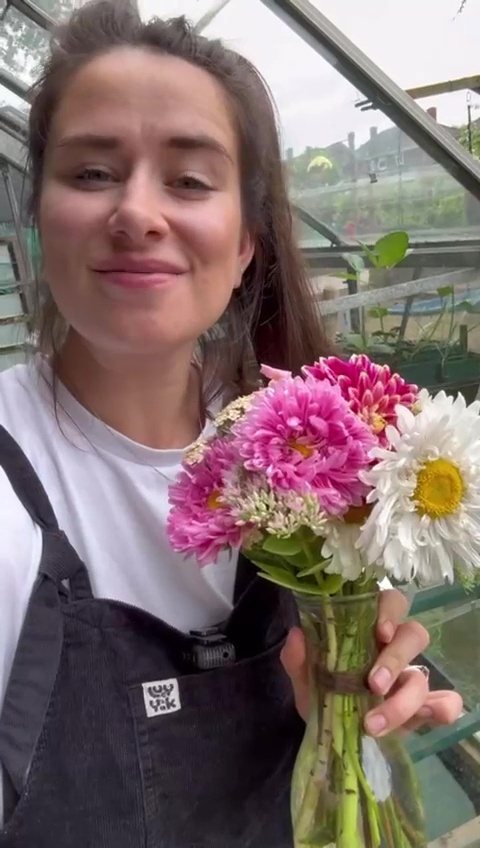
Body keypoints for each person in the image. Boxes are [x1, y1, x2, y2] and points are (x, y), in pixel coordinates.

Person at [0, 2, 462, 846]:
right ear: (37, 212)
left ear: (248, 241)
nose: (137, 212)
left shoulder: (325, 447)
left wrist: (367, 687)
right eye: (93, 172)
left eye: (189, 180)